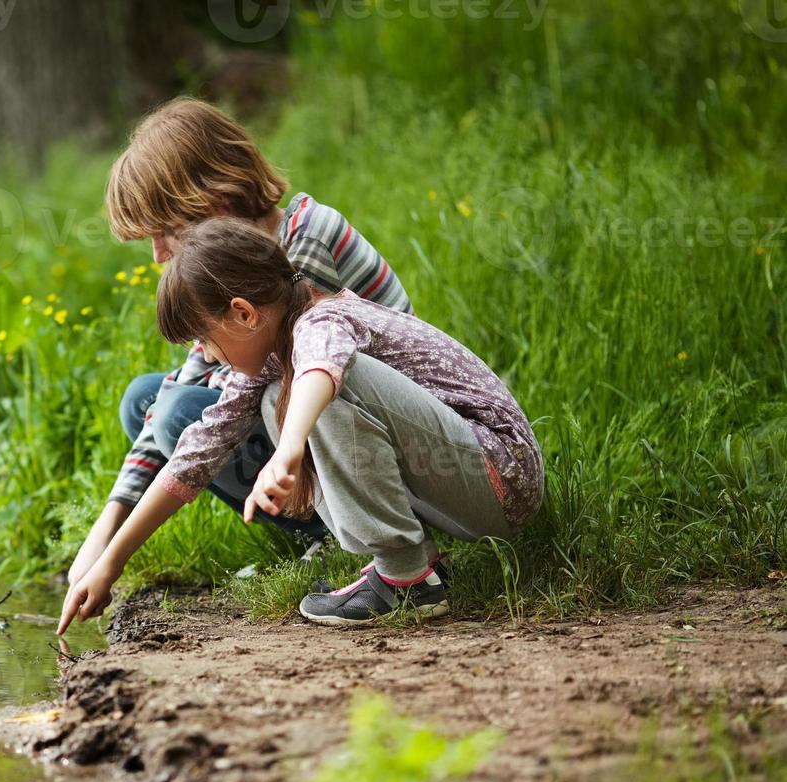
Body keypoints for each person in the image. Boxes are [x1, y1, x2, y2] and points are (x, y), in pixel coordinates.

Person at [57, 218, 544, 632]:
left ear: (243, 314)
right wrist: (111, 561)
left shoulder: (322, 319)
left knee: (316, 391)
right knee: (275, 398)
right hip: (460, 484)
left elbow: (321, 373)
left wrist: (289, 450)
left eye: (204, 340)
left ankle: (406, 578)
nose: (204, 355)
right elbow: (195, 456)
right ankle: (418, 567)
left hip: (501, 476)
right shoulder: (271, 356)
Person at [67, 97, 415, 602]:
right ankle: (326, 533)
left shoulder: (302, 243)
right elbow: (186, 379)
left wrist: (116, 557)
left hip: (385, 441)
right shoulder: (230, 266)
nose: (159, 253)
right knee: (147, 400)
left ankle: (356, 537)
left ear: (215, 207)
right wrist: (103, 532)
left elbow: (231, 405)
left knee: (181, 414)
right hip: (321, 426)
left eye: (166, 231)